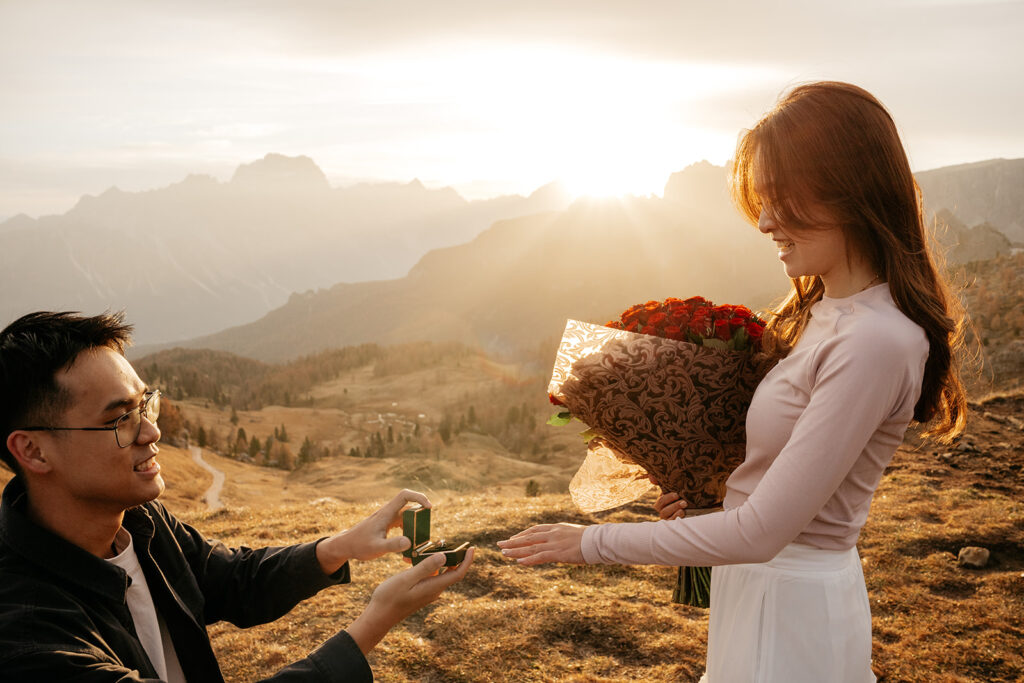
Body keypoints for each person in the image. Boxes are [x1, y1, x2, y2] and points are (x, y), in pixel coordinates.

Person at [499, 81, 966, 682]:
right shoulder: (827, 312)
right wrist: (705, 503)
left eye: (782, 200)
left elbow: (764, 531)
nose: (766, 222)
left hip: (793, 610)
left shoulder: (875, 341)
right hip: (757, 589)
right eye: (762, 201)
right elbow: (769, 498)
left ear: (849, 193)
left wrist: (588, 543)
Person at [0, 310, 475, 682]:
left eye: (144, 403)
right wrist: (375, 622)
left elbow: (230, 580)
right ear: (33, 450)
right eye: (118, 418)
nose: (152, 429)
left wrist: (343, 547)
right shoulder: (24, 630)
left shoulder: (141, 523)